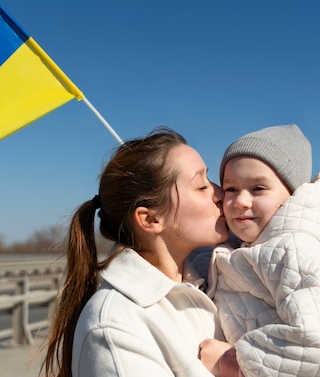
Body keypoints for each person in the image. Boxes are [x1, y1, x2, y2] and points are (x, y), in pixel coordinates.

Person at [41, 127, 235, 377]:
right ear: (151, 219)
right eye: (201, 186)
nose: (220, 193)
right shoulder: (114, 327)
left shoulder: (212, 280)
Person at [200, 124, 320, 377]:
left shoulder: (296, 249)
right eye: (231, 189)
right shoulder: (256, 247)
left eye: (258, 188)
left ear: (292, 194)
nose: (240, 201)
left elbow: (319, 341)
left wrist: (230, 363)